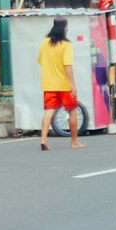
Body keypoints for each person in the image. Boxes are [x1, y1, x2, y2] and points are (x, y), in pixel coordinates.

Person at [37, 15, 80, 151]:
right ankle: (74, 142)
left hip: (49, 84)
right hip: (64, 85)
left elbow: (39, 60)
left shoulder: (44, 42)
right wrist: (73, 85)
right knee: (72, 111)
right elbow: (67, 66)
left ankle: (43, 140)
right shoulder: (66, 44)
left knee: (49, 111)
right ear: (65, 28)